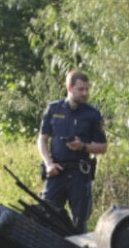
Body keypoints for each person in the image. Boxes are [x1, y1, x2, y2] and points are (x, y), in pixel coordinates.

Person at [37, 70, 108, 232]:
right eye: (80, 89)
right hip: (56, 171)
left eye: (87, 89)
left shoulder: (92, 114)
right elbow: (42, 140)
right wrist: (49, 164)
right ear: (70, 88)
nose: (85, 93)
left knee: (79, 223)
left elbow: (103, 147)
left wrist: (83, 146)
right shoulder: (53, 109)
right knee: (46, 217)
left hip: (79, 173)